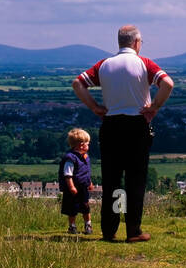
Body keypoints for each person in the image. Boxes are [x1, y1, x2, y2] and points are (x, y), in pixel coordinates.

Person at [72, 25, 173, 243]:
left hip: (111, 125)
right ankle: (133, 230)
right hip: (137, 124)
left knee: (112, 179)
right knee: (135, 180)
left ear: (119, 42)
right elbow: (167, 83)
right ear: (137, 42)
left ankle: (110, 230)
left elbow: (78, 83)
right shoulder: (144, 63)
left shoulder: (104, 65)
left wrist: (95, 107)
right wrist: (154, 106)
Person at [59, 128, 93, 235]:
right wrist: (71, 187)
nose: (88, 145)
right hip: (73, 188)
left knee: (85, 207)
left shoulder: (85, 157)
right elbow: (68, 174)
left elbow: (86, 172)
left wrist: (90, 182)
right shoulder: (71, 158)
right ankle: (72, 226)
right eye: (87, 143)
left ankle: (88, 224)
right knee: (72, 208)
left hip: (83, 187)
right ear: (81, 145)